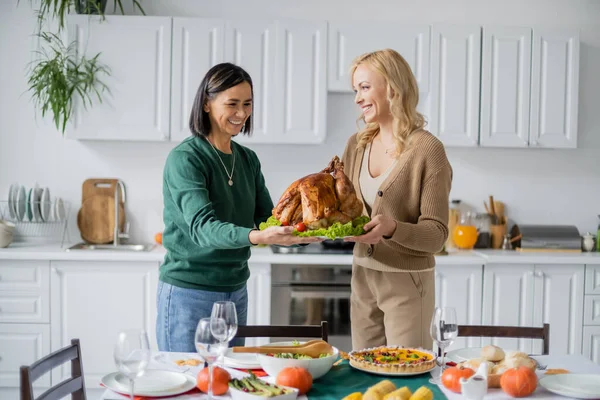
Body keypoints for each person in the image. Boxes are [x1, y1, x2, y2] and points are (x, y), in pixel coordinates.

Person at [157, 62, 319, 352]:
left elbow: (269, 221)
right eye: (232, 104)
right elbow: (203, 229)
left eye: (247, 104)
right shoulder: (186, 159)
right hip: (188, 292)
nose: (242, 113)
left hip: (235, 292)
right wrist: (256, 236)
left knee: (229, 384)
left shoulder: (247, 160)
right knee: (187, 386)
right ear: (206, 104)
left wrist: (309, 232)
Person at [342, 49, 453, 351]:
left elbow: (437, 236)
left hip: (407, 281)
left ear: (392, 87)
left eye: (364, 87)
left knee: (404, 376)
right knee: (363, 375)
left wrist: (393, 228)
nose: (357, 98)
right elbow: (348, 211)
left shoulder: (427, 150)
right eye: (356, 90)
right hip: (362, 275)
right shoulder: (356, 145)